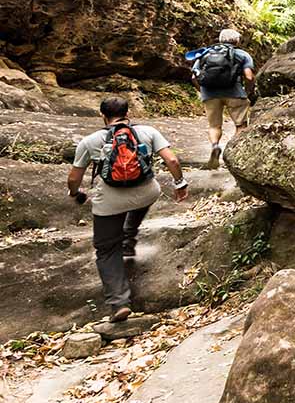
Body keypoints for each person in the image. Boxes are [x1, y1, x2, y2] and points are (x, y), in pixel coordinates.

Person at [67, 95, 189, 322]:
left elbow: (74, 177)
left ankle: (119, 303)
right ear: (127, 113)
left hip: (111, 202)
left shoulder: (90, 141)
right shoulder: (148, 132)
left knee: (106, 250)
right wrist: (180, 183)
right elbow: (172, 161)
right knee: (139, 203)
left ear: (103, 115)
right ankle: (129, 237)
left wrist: (75, 194)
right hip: (147, 193)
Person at [191, 27, 256, 169]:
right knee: (240, 125)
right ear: (237, 40)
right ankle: (235, 154)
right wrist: (248, 91)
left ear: (220, 39)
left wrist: (202, 91)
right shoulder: (242, 54)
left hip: (210, 94)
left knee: (214, 126)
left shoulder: (205, 53)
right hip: (235, 93)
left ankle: (215, 146)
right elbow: (249, 76)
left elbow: (193, 76)